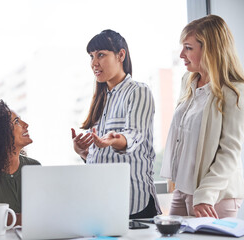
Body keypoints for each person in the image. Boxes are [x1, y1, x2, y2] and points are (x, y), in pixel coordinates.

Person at [71, 29, 161, 219]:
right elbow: (103, 156)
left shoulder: (138, 91)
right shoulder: (100, 99)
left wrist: (115, 140)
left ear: (121, 55)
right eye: (91, 56)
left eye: (101, 55)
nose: (94, 63)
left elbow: (134, 135)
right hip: (104, 202)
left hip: (134, 204)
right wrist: (83, 153)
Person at [160, 15, 244, 219]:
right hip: (182, 190)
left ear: (209, 50)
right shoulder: (187, 82)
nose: (181, 54)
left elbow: (230, 152)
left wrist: (206, 194)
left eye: (188, 48)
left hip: (214, 197)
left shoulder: (234, 92)